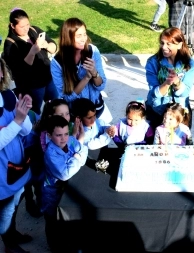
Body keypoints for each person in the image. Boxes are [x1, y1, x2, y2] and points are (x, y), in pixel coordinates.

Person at [0, 58, 33, 253]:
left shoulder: (9, 96)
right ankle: (9, 245)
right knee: (4, 210)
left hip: (15, 165)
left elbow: (26, 130)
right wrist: (18, 119)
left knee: (14, 203)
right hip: (1, 172)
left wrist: (24, 114)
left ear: (2, 73)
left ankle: (11, 233)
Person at [41, 115, 87, 251]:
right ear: (49, 135)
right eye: (59, 135)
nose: (64, 138)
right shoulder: (51, 153)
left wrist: (77, 158)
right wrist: (76, 158)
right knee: (52, 221)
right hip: (52, 195)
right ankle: (52, 245)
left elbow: (83, 149)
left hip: (66, 191)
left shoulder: (71, 140)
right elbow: (64, 174)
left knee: (64, 222)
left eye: (66, 134)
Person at [2, 8, 58, 115]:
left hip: (48, 78)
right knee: (34, 112)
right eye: (22, 26)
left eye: (27, 24)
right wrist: (32, 52)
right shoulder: (11, 44)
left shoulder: (34, 30)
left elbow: (54, 46)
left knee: (56, 106)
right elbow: (19, 71)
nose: (26, 28)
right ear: (13, 26)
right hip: (32, 87)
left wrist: (46, 45)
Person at [51, 17, 108, 119]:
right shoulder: (57, 63)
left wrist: (94, 74)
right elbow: (66, 97)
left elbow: (101, 86)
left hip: (96, 109)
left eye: (85, 34)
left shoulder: (93, 51)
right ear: (68, 37)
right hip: (76, 114)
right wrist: (86, 78)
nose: (83, 39)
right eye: (79, 36)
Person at [145, 27, 194, 130]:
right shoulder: (152, 62)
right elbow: (154, 93)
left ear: (180, 45)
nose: (164, 47)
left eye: (169, 44)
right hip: (157, 110)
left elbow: (185, 92)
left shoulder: (189, 63)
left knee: (181, 143)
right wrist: (167, 83)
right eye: (162, 43)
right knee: (157, 143)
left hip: (180, 112)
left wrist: (177, 83)